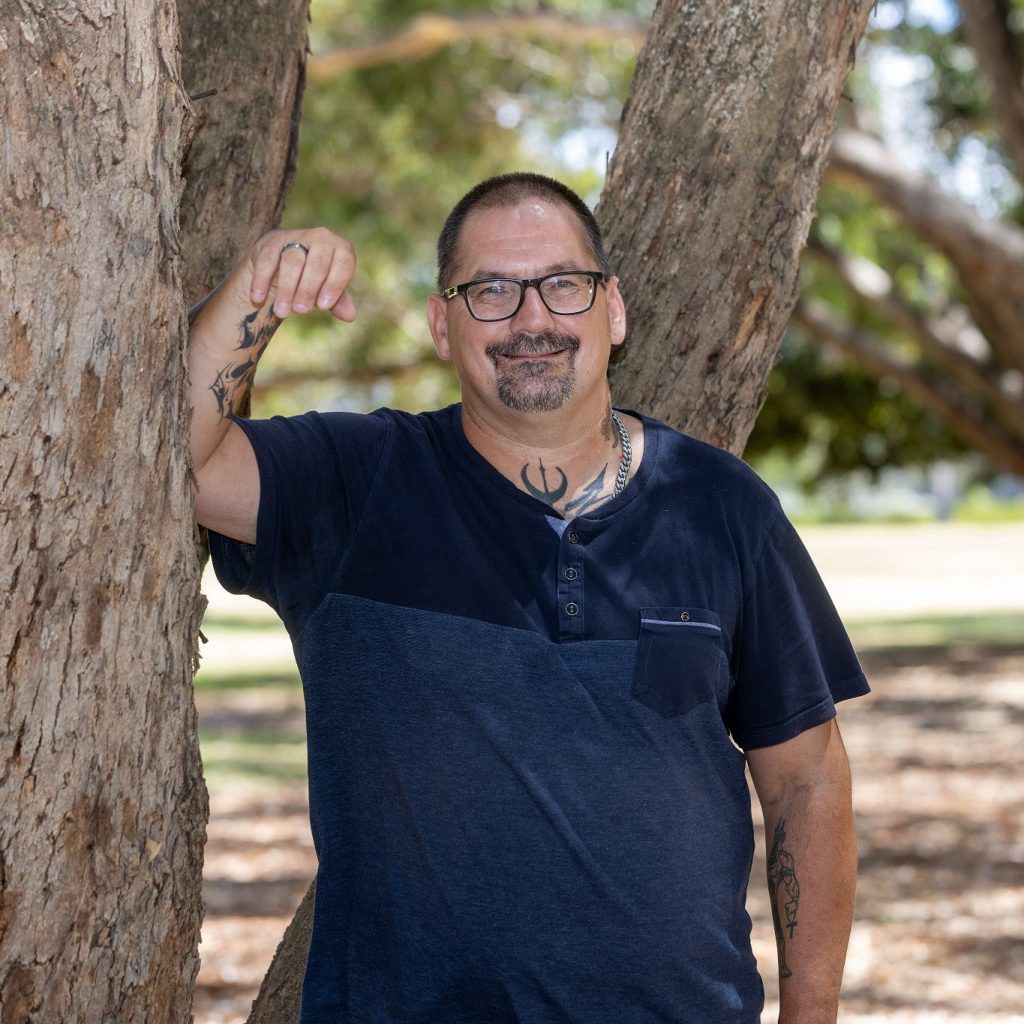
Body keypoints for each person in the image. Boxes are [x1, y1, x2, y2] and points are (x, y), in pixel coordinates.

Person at [191, 173, 869, 1023]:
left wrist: (814, 1015)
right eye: (491, 292)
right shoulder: (357, 481)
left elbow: (806, 778)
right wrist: (257, 290)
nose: (531, 319)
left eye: (563, 285)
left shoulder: (721, 507)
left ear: (612, 311)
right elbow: (174, 461)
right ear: (443, 325)